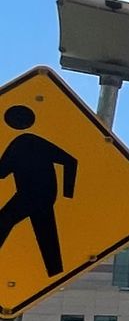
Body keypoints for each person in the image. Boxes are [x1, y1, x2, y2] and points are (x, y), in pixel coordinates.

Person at [0, 104, 78, 278]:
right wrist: (65, 195)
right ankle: (55, 272)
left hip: (31, 195)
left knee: (4, 220)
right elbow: (2, 172)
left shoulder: (24, 142)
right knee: (46, 234)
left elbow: (71, 161)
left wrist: (68, 194)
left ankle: (55, 271)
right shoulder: (26, 142)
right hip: (44, 196)